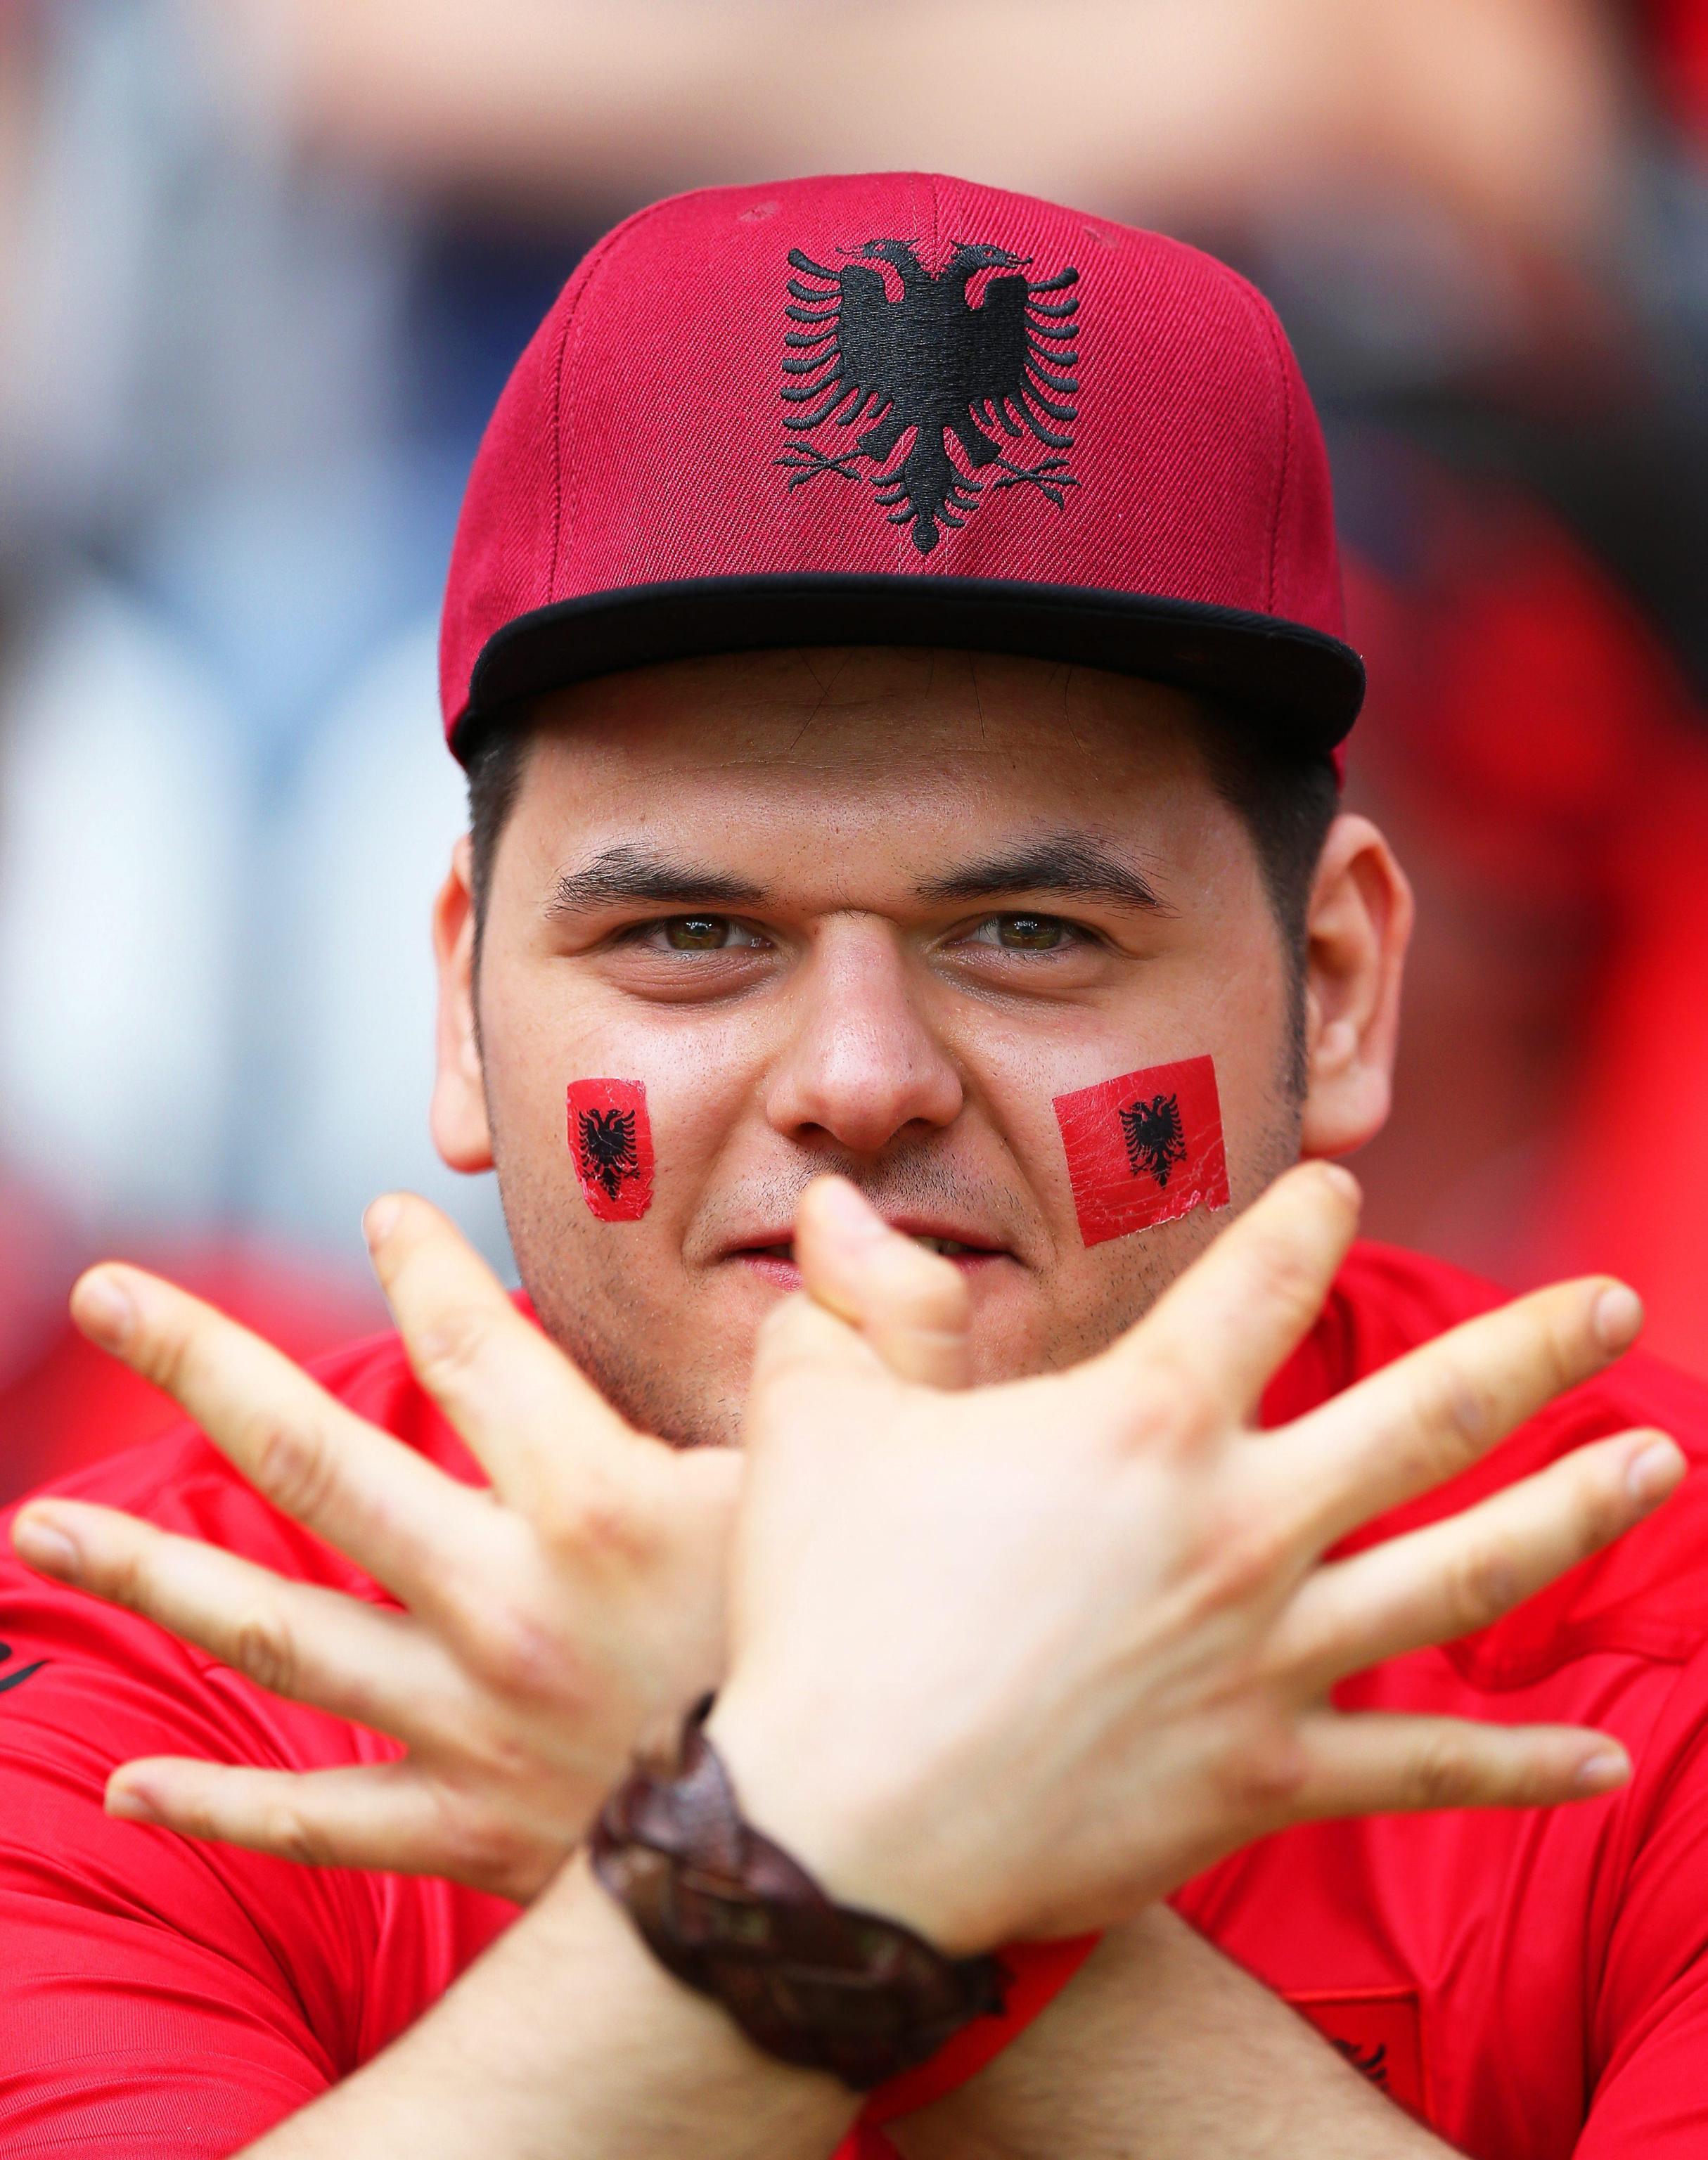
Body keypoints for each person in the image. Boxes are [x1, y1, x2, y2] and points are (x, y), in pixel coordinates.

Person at [0, 172, 1704, 2159]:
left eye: (1032, 934)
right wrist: (830, 1839)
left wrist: (755, 1829)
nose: (861, 1080)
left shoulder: (1648, 1632)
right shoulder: (166, 1687)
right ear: (463, 1011)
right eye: (691, 935)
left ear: (1334, 991)